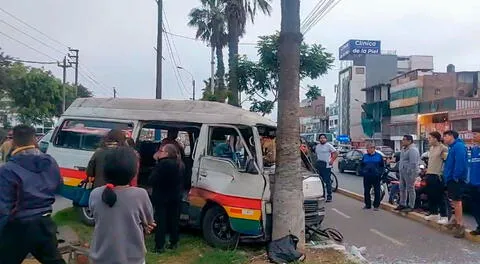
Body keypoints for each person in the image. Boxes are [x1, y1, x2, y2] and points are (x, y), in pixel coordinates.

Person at [0, 125, 65, 263]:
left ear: (13, 142)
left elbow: (4, 207)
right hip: (44, 223)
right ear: (34, 139)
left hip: (17, 226)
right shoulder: (50, 162)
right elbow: (59, 187)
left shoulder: (7, 170)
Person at [89, 146, 155, 264]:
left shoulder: (95, 194)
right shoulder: (140, 195)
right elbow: (149, 222)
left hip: (100, 258)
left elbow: (98, 217)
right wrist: (146, 226)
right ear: (133, 171)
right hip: (131, 259)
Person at [149, 144, 185, 252]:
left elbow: (152, 180)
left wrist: (157, 162)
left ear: (167, 153)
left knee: (161, 221)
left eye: (162, 151)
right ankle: (174, 242)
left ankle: (159, 246)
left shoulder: (162, 165)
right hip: (175, 196)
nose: (160, 152)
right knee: (174, 220)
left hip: (162, 196)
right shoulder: (180, 164)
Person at [443, 130, 468, 238]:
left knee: (457, 202)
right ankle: (455, 220)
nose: (444, 138)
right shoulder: (453, 147)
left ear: (451, 136)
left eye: (445, 136)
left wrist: (456, 176)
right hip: (451, 179)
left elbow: (460, 162)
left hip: (456, 179)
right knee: (454, 201)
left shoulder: (458, 147)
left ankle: (460, 225)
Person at [423, 132, 450, 224]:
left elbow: (446, 161)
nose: (428, 140)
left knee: (440, 196)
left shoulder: (443, 148)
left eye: (430, 138)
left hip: (437, 175)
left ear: (435, 138)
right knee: (431, 195)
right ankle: (434, 213)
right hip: (429, 174)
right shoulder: (431, 148)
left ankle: (444, 216)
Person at [395, 135, 420, 213]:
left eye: (404, 140)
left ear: (409, 141)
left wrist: (410, 173)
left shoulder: (413, 150)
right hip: (402, 171)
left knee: (410, 188)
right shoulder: (403, 149)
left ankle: (411, 205)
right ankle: (402, 203)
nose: (402, 141)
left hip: (409, 172)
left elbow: (413, 163)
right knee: (402, 188)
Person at [360, 143, 384, 210]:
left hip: (376, 176)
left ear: (373, 148)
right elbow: (361, 165)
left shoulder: (379, 156)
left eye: (369, 148)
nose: (367, 150)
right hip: (367, 176)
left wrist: (379, 173)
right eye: (367, 148)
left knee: (377, 191)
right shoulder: (365, 156)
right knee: (366, 191)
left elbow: (382, 166)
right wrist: (363, 172)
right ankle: (367, 205)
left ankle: (376, 205)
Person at [314, 134, 338, 202]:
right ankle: (322, 195)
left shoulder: (328, 146)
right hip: (319, 165)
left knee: (327, 181)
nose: (322, 139)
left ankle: (329, 196)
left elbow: (336, 153)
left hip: (327, 165)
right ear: (319, 139)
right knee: (320, 181)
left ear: (326, 139)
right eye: (321, 138)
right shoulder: (317, 146)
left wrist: (332, 160)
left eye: (323, 138)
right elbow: (316, 155)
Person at [469, 135, 480, 236]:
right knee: (475, 207)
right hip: (473, 183)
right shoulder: (474, 150)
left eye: (476, 135)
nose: (474, 137)